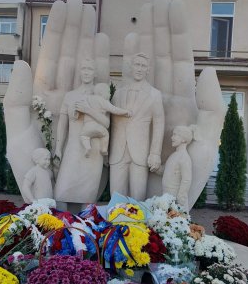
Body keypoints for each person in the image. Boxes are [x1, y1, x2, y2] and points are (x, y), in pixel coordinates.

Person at [109, 53, 165, 201]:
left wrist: (155, 153)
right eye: (137, 65)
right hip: (118, 152)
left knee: (138, 198)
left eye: (143, 66)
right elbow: (111, 123)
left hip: (140, 153)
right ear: (131, 67)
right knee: (116, 198)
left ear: (148, 70)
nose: (139, 69)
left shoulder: (154, 95)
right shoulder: (118, 94)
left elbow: (159, 124)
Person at [54, 59, 108, 206]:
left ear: (95, 73)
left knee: (88, 196)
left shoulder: (101, 95)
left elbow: (106, 123)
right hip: (73, 146)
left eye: (90, 69)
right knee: (61, 192)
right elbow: (62, 124)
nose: (86, 72)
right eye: (84, 69)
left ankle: (87, 220)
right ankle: (59, 220)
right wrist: (58, 148)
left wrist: (88, 110)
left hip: (93, 149)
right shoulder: (70, 96)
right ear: (79, 72)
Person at [77, 82, 131, 157]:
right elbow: (114, 109)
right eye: (108, 92)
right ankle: (104, 149)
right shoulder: (103, 101)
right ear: (101, 93)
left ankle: (87, 147)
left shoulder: (88, 98)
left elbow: (80, 104)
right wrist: (125, 112)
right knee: (105, 135)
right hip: (99, 127)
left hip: (87, 127)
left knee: (83, 136)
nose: (110, 94)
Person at [160, 125, 196, 208]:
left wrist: (181, 197)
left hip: (175, 197)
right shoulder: (173, 155)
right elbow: (164, 171)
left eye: (175, 135)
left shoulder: (184, 158)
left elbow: (186, 179)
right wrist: (155, 167)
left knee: (175, 215)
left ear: (183, 139)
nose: (172, 137)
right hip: (166, 194)